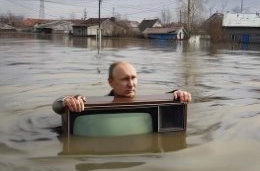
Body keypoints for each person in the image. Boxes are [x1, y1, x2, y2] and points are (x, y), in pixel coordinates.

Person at [52, 61, 191, 114]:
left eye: (133, 78)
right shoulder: (94, 106)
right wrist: (67, 101)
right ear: (111, 82)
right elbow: (57, 105)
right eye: (125, 79)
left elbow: (164, 99)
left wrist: (177, 93)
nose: (131, 84)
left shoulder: (148, 102)